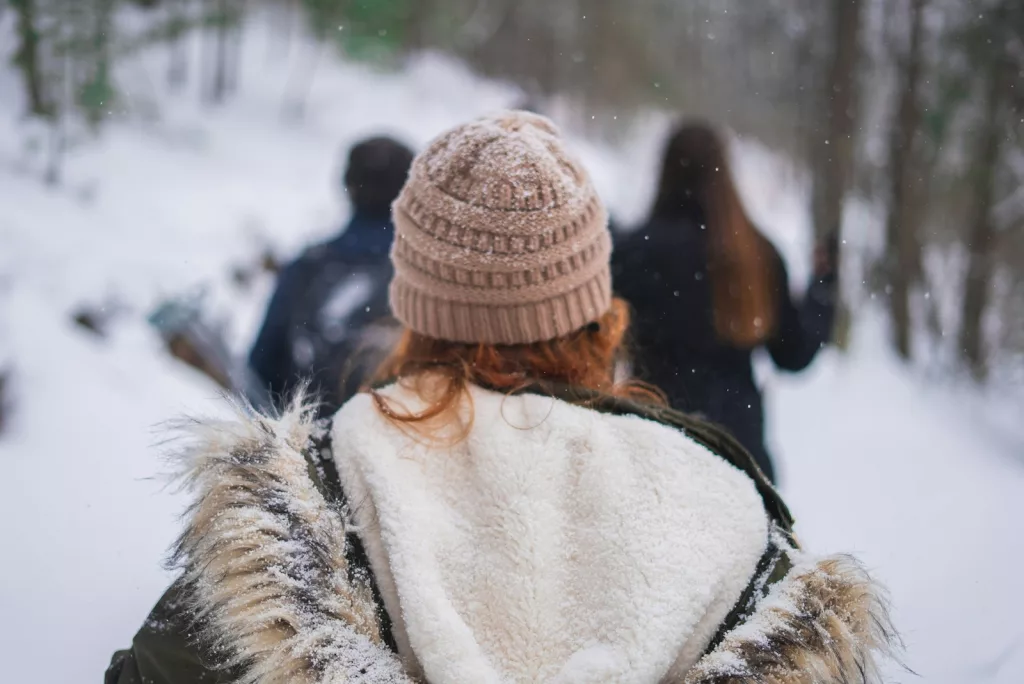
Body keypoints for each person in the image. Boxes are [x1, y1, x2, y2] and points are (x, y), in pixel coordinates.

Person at [107, 112, 895, 684]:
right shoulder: (731, 526)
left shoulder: (312, 506)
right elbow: (795, 349)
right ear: (603, 315)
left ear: (412, 310)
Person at [613, 123, 837, 484]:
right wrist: (822, 290)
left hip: (653, 453)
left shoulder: (631, 253)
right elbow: (794, 354)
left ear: (666, 172)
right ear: (725, 175)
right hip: (738, 460)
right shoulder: (756, 257)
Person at [249, 135, 414, 414]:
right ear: (411, 193)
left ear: (347, 186)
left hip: (307, 444)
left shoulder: (308, 266)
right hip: (398, 446)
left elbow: (261, 370)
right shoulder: (425, 280)